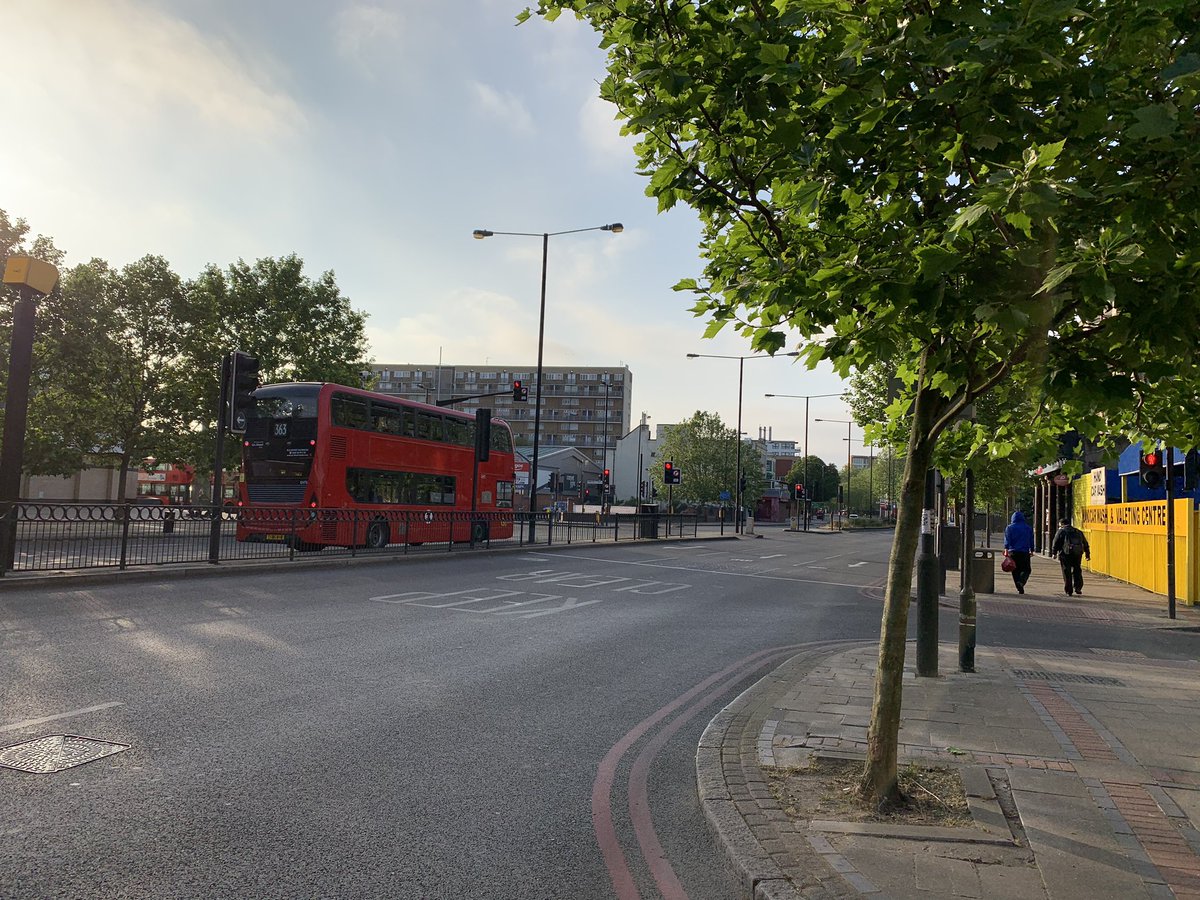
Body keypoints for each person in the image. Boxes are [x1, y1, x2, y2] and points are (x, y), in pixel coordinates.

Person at [1051, 516, 1091, 596]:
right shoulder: (1078, 531)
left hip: (1065, 554)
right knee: (1077, 570)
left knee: (1066, 571)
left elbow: (1055, 542)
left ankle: (1069, 590)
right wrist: (1087, 554)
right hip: (1077, 553)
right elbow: (1085, 543)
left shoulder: (1061, 531)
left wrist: (1054, 553)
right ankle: (1078, 587)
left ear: (1061, 524)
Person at [1004, 510, 1035, 594]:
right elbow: (1031, 540)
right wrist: (1032, 550)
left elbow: (1007, 540)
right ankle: (1021, 581)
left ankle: (1018, 586)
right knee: (1026, 569)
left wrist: (1006, 550)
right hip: (1024, 552)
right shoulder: (1028, 528)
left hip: (1013, 552)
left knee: (1015, 570)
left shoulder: (1009, 527)